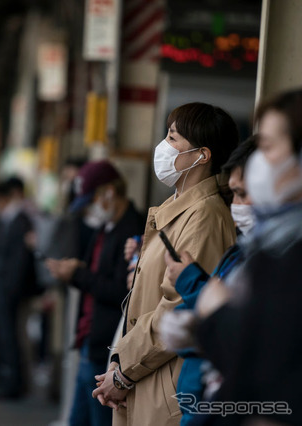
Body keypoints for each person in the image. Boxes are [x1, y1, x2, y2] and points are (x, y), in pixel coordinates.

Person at [92, 102, 239, 426]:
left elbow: (178, 306)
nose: (164, 147)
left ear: (202, 155)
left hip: (162, 386)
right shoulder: (178, 207)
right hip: (145, 376)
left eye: (173, 138)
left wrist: (123, 373)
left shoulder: (205, 216)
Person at [193, 88, 302, 425]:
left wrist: (215, 315)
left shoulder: (289, 254)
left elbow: (271, 365)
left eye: (268, 147)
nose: (257, 165)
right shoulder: (270, 247)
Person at [158, 136, 257, 426]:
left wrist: (190, 282)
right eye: (233, 195)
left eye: (173, 136)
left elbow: (241, 329)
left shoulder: (207, 213)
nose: (236, 206)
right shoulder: (242, 251)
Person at [46, 160, 145, 426]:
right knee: (78, 418)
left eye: (91, 203)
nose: (89, 211)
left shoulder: (132, 232)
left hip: (105, 348)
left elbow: (121, 292)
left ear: (109, 193)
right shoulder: (107, 226)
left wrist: (77, 274)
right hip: (91, 338)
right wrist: (78, 270)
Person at [0, 177, 37, 399]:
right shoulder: (9, 219)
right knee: (6, 336)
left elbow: (19, 261)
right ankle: (10, 381)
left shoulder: (20, 220)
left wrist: (9, 289)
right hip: (4, 288)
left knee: (12, 337)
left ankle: (14, 384)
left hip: (10, 291)